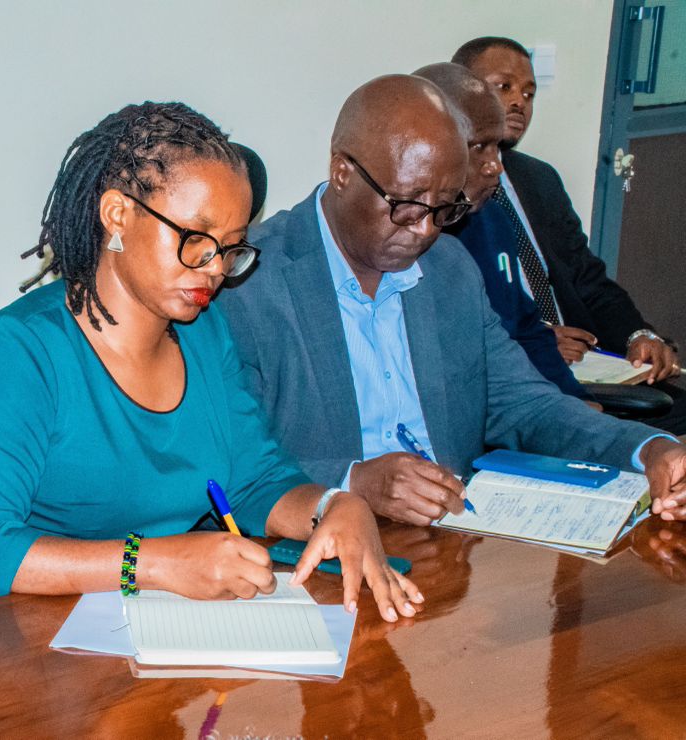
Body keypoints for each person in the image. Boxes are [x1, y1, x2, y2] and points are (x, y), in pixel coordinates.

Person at [0, 102, 421, 624]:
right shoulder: (18, 352)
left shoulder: (205, 334)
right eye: (196, 240)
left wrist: (334, 506)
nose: (214, 269)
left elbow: (255, 481)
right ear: (117, 215)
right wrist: (153, 564)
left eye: (231, 249)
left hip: (134, 630)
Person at [217, 75, 686, 528]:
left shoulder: (449, 268)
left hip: (454, 537)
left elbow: (525, 404)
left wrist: (648, 450)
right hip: (322, 543)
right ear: (342, 172)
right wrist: (353, 481)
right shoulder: (247, 282)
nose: (425, 230)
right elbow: (230, 459)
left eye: (444, 207)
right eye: (406, 204)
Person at [454, 36, 685, 432]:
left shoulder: (538, 179)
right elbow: (459, 312)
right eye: (504, 86)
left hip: (587, 365)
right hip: (518, 375)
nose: (519, 102)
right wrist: (537, 339)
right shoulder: (446, 194)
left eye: (529, 93)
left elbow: (588, 278)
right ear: (463, 94)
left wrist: (639, 334)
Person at [413, 62, 589, 399]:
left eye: (497, 147)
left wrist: (579, 403)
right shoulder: (407, 240)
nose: (495, 166)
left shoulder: (493, 219)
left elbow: (527, 329)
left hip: (522, 394)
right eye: (479, 147)